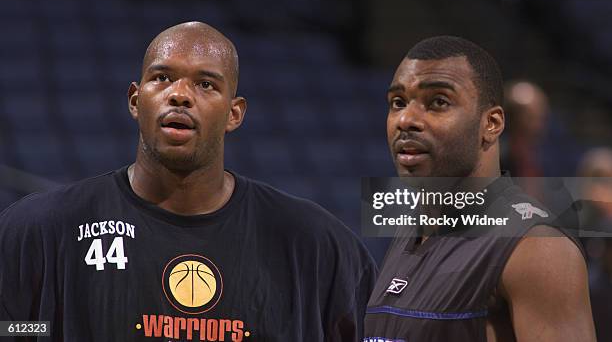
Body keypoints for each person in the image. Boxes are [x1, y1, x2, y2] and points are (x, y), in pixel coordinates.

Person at [0, 22, 377, 341]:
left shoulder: (319, 247)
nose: (179, 95)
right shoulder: (38, 231)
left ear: (234, 113)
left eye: (206, 85)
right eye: (162, 78)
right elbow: (14, 329)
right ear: (135, 100)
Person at [363, 36, 595, 341]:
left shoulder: (538, 248)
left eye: (438, 102)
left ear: (492, 123)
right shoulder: (410, 230)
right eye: (398, 103)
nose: (406, 119)